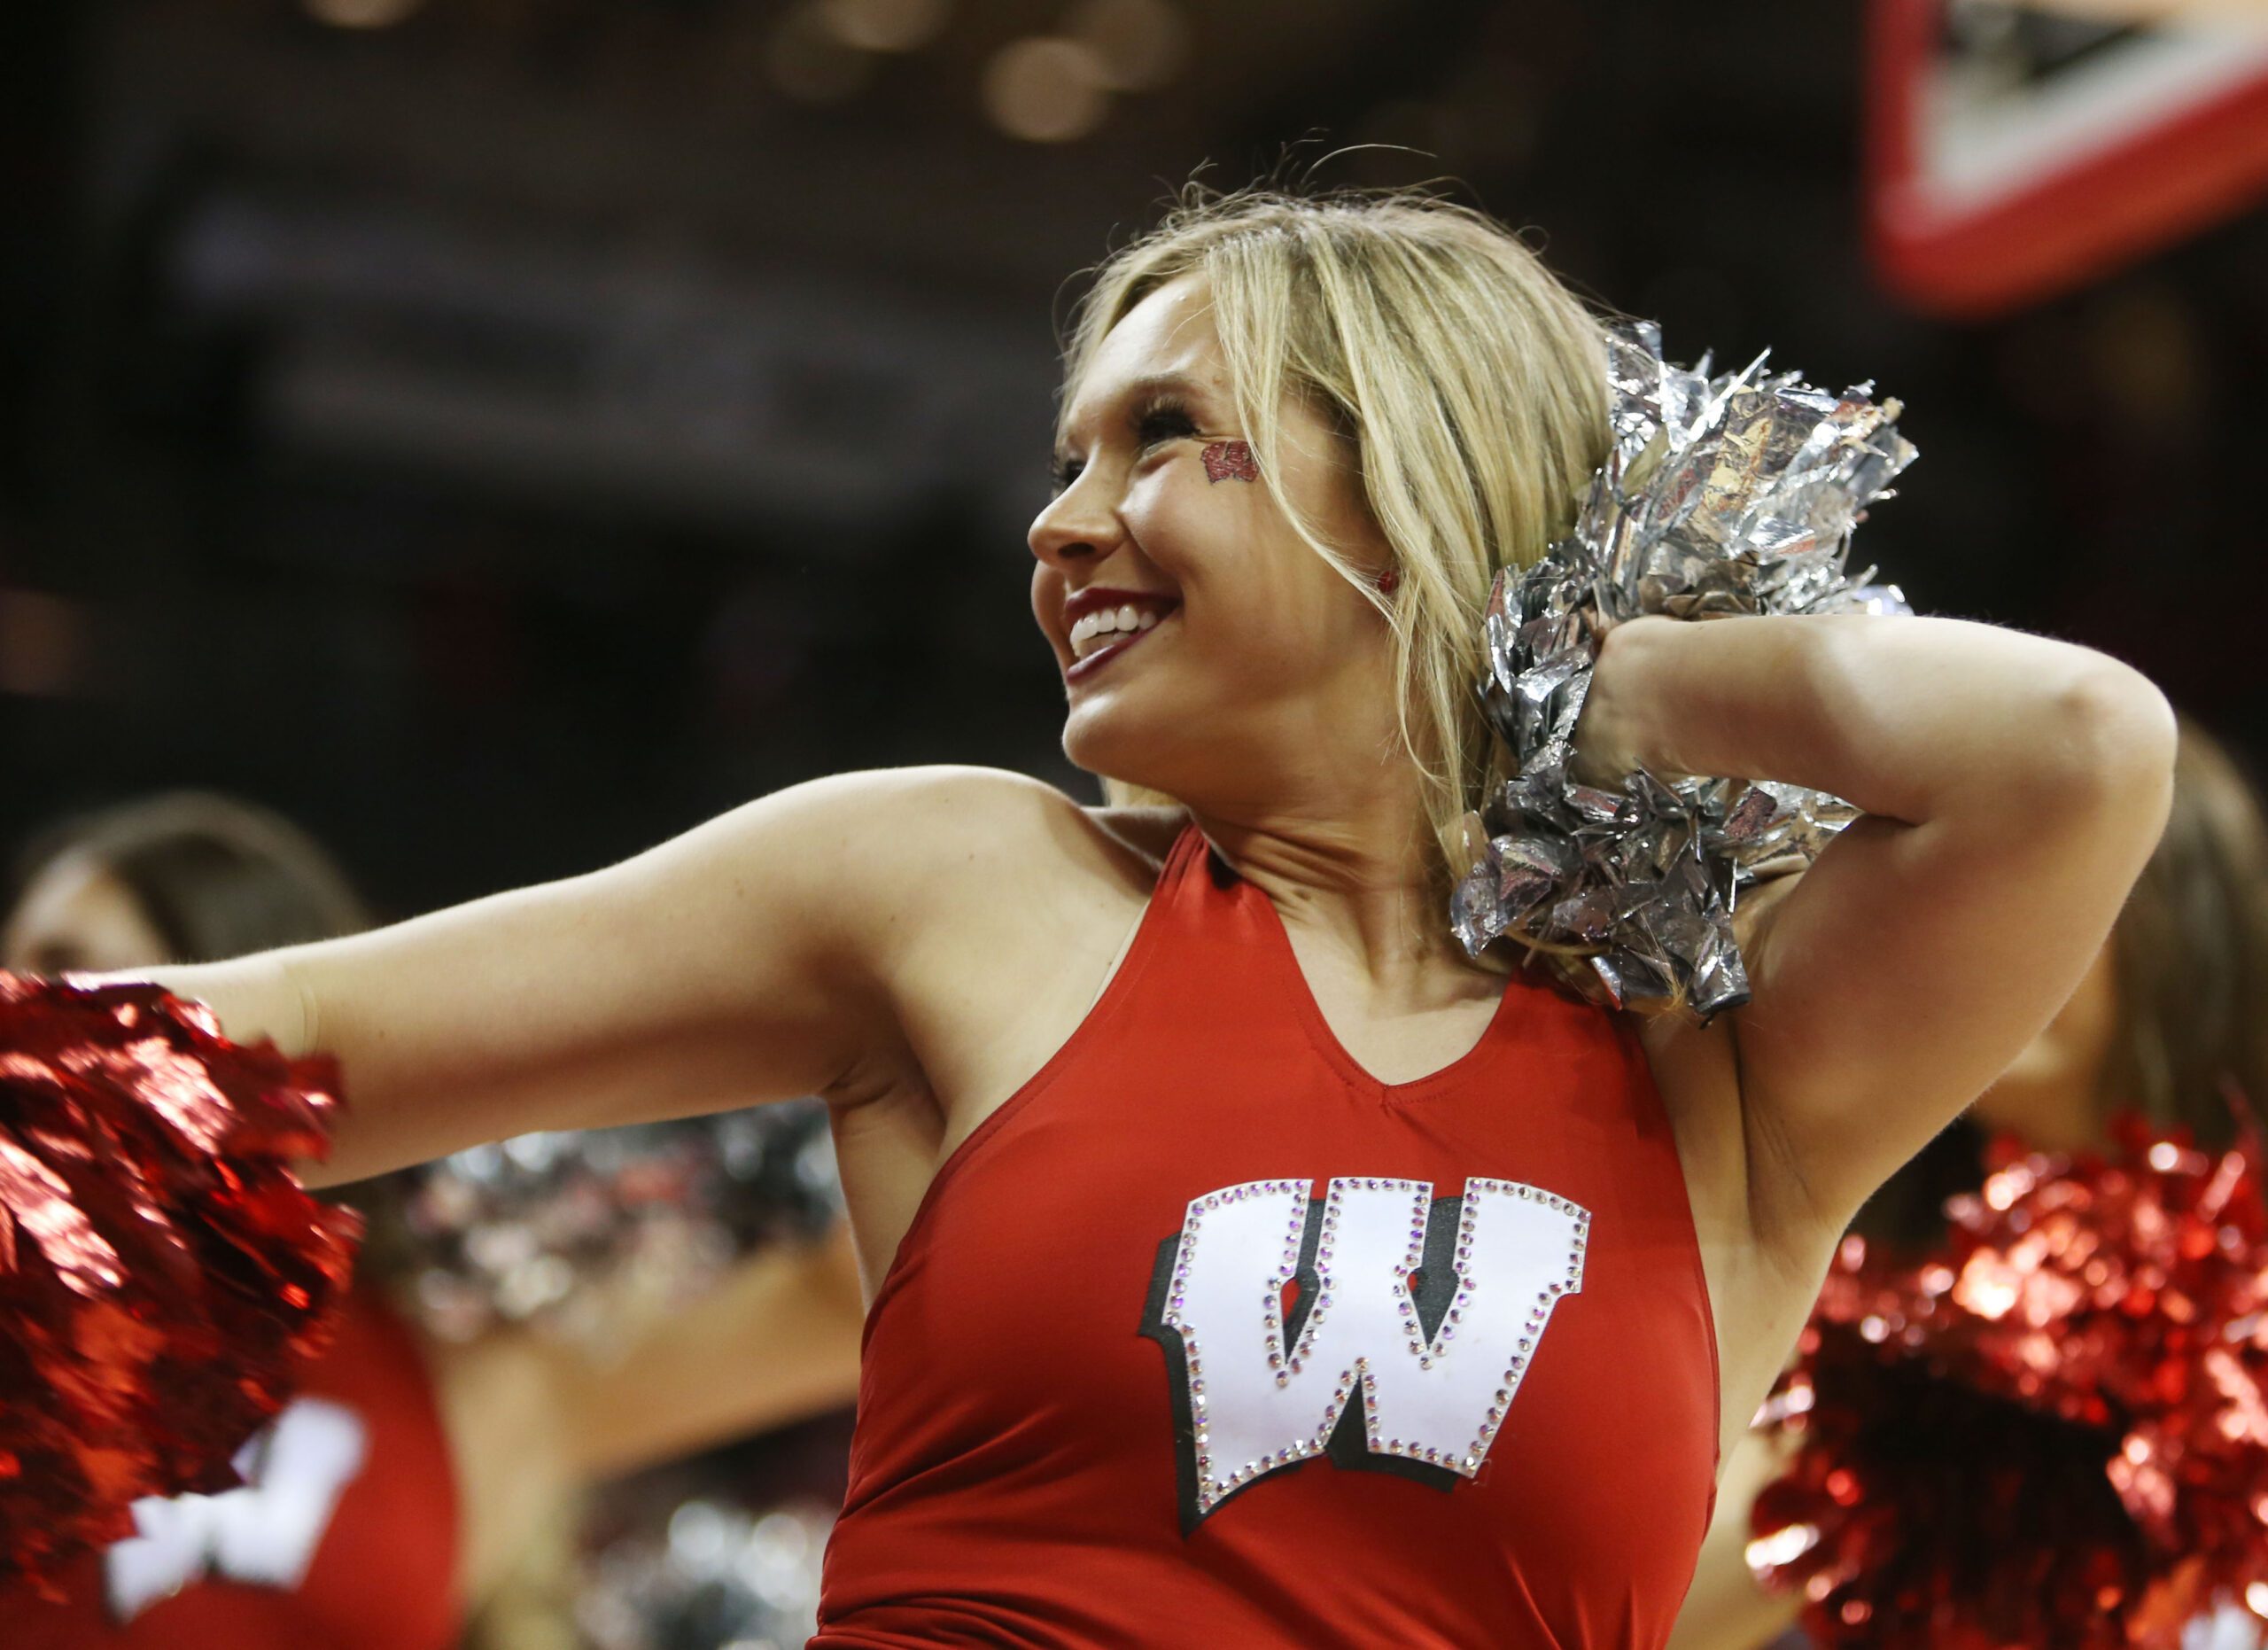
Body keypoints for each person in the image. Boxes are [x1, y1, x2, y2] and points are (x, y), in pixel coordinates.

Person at [91, 185, 2179, 1649]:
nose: (1058, 520)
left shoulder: (1716, 1086)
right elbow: (216, 1063)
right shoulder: (956, 890)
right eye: (1068, 451)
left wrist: (1566, 666)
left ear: (1418, 490)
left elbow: (2071, 748)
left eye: (1166, 437)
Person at [0, 792, 865, 1649]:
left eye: (64, 972)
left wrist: (724, 1075)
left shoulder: (457, 1369)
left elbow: (862, 1299)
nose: (24, 1019)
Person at [1667, 716, 2268, 1650]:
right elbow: (1635, 1609)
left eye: (2046, 892)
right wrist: (1893, 1445)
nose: (1982, 944)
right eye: (1952, 894)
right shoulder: (1836, 1255)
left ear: (2185, 932)